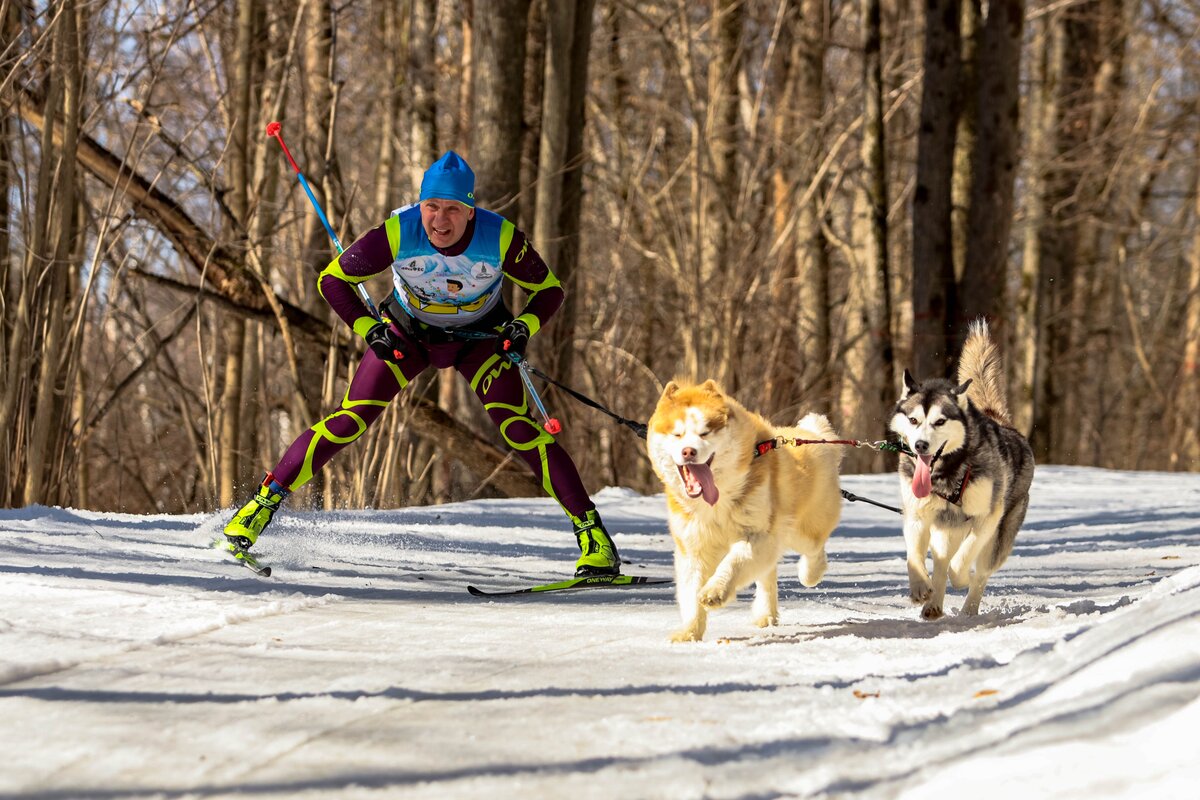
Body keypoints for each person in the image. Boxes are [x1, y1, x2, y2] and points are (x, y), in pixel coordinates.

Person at [223, 151, 620, 577]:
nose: (440, 221)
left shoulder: (500, 237)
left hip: (480, 341)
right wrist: (368, 329)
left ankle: (594, 538)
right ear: (420, 204)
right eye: (432, 206)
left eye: (453, 209)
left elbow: (550, 290)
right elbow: (332, 280)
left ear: (471, 211)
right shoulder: (400, 230)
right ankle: (256, 511)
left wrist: (523, 327)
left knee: (518, 428)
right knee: (351, 419)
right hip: (407, 336)